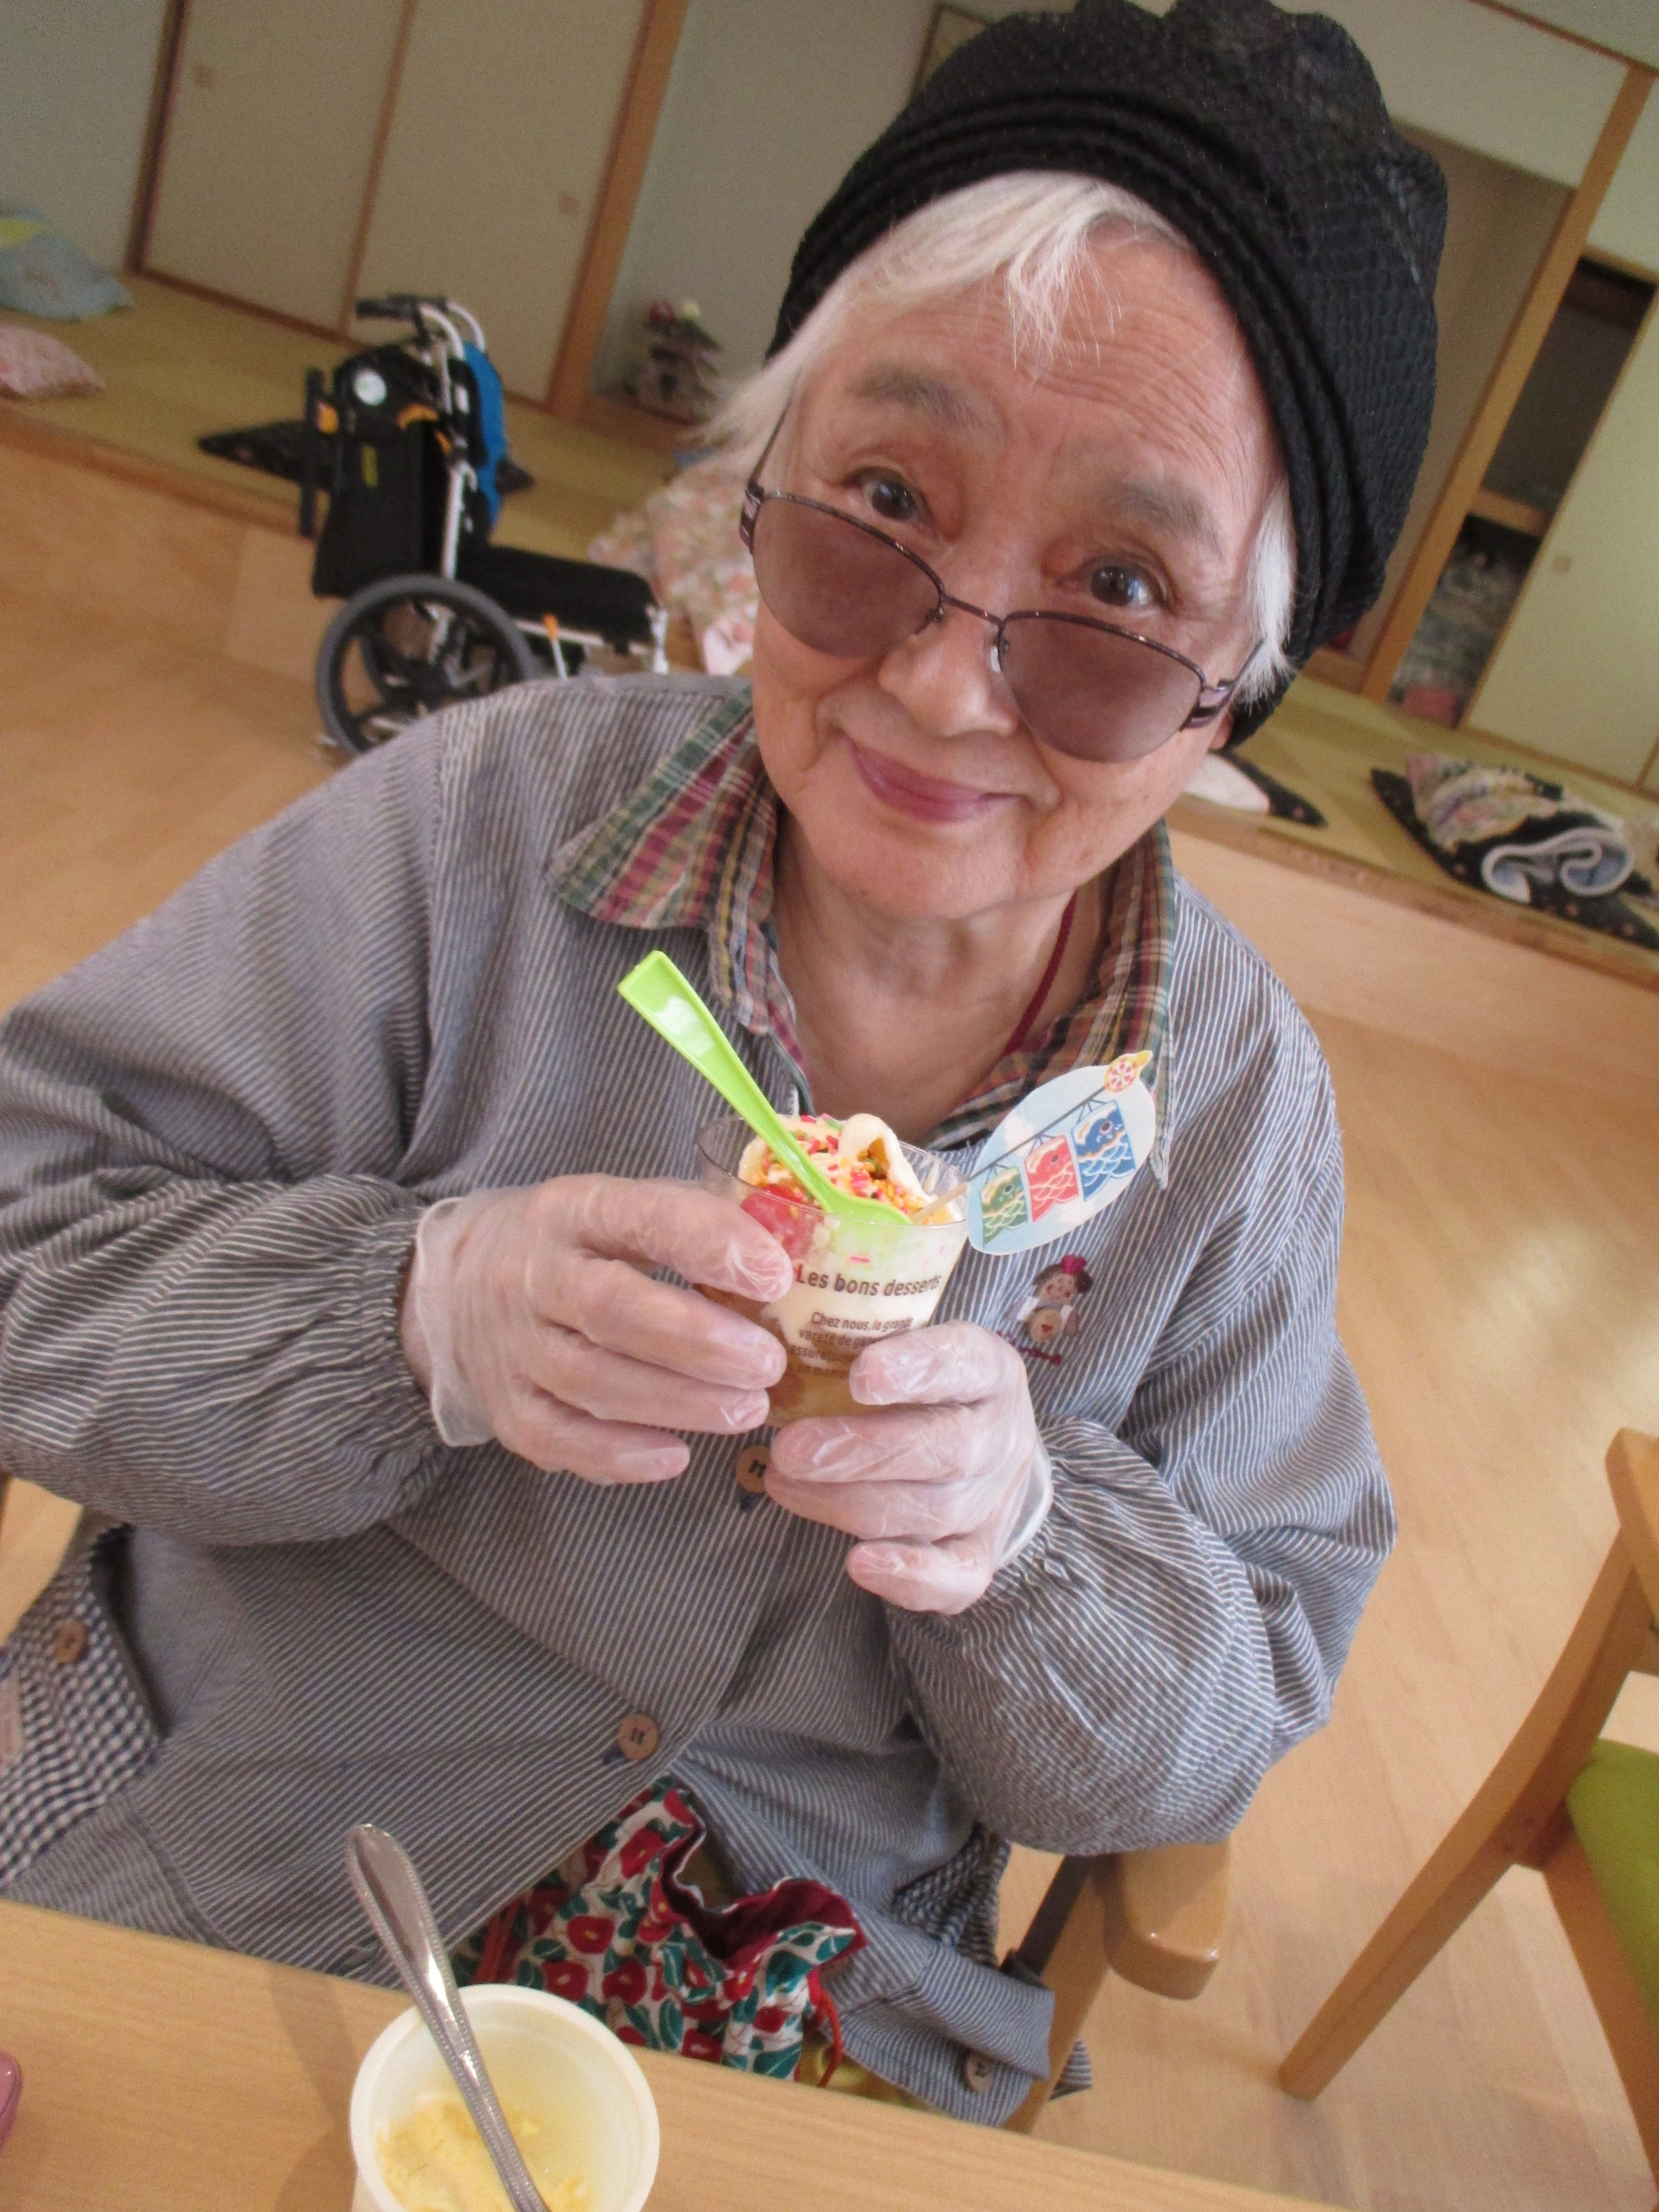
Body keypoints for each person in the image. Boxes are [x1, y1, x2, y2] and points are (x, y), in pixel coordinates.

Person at [0, 0, 1443, 2122]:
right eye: (885, 499)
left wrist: (1025, 1536)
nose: (944, 686)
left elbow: (1217, 1715)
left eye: (1122, 587)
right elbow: (24, 1247)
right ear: (752, 488)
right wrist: (414, 1316)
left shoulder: (1227, 1113)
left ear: (1241, 688)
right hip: (263, 1833)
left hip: (798, 1992)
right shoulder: (481, 826)